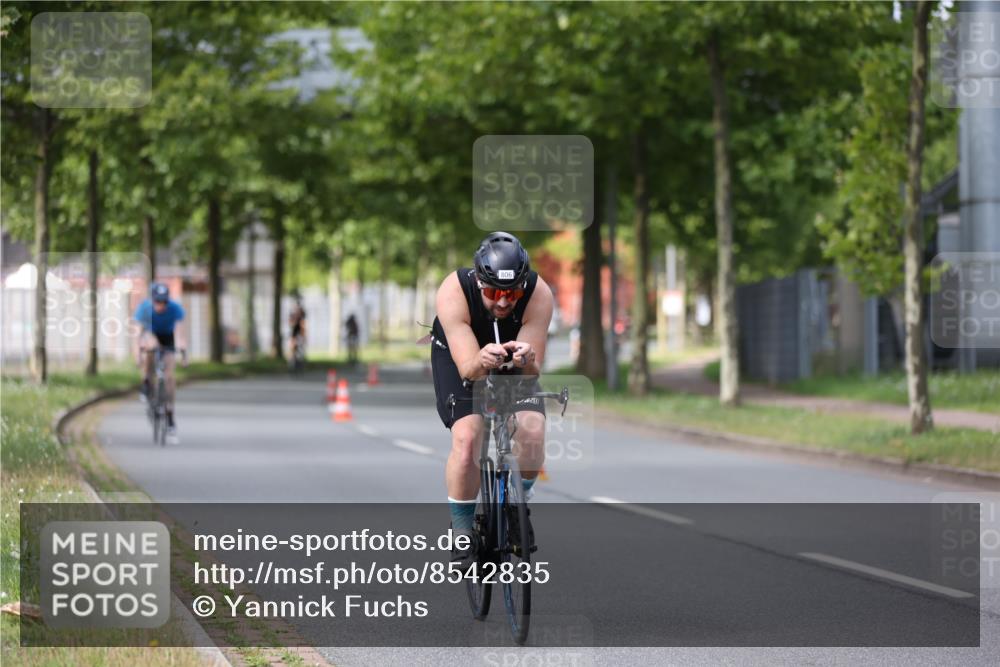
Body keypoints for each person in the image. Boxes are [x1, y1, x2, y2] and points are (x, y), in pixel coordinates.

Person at [430, 231, 553, 569]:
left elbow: (532, 372)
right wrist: (482, 360)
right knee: (469, 438)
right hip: (463, 360)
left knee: (532, 431)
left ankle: (517, 504)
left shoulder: (539, 293)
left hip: (512, 363)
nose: (502, 302)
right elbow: (469, 369)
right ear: (479, 282)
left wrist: (527, 359)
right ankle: (462, 531)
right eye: (493, 292)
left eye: (511, 293)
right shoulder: (454, 290)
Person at [134, 283, 186, 444]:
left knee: (170, 376)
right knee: (150, 346)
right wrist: (137, 355)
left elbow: (179, 334)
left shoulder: (175, 309)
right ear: (152, 300)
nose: (160, 305)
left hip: (168, 337)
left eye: (163, 302)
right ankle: (146, 382)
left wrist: (183, 353)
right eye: (157, 301)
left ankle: (170, 415)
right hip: (151, 335)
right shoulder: (144, 309)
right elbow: (137, 335)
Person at [288, 297, 307, 367]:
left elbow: (303, 324)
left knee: (300, 347)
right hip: (294, 332)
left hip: (300, 333)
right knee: (292, 347)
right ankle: (291, 360)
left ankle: (300, 360)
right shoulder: (292, 313)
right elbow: (290, 323)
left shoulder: (302, 312)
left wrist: (304, 335)